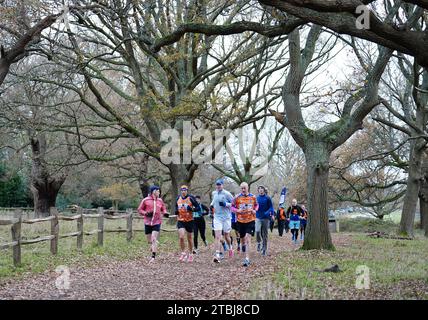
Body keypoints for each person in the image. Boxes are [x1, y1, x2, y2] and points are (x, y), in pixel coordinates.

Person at [137, 185, 168, 263]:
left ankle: (153, 257)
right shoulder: (145, 200)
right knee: (149, 241)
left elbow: (163, 208)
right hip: (147, 222)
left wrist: (165, 213)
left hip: (157, 222)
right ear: (154, 191)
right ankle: (154, 244)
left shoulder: (160, 200)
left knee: (153, 238)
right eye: (158, 191)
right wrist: (146, 213)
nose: (159, 192)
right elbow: (139, 209)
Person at [232, 182, 258, 267]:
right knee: (242, 238)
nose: (243, 190)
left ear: (248, 188)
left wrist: (255, 210)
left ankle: (247, 259)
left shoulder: (253, 197)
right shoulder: (236, 197)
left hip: (250, 220)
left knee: (247, 238)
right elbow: (232, 207)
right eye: (242, 188)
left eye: (244, 188)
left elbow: (257, 205)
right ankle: (243, 245)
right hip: (240, 221)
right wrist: (236, 210)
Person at [210, 179, 234, 263]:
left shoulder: (227, 194)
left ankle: (230, 247)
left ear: (222, 185)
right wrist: (211, 207)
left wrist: (226, 204)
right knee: (218, 236)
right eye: (217, 185)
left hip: (226, 217)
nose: (218, 186)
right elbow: (213, 202)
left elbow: (234, 204)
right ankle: (217, 255)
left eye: (219, 185)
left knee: (227, 236)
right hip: (217, 217)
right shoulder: (214, 193)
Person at [175, 185, 199, 262]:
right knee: (181, 237)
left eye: (185, 190)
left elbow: (198, 207)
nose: (183, 191)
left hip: (189, 220)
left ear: (187, 191)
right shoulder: (178, 198)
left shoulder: (191, 198)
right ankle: (183, 253)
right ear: (180, 191)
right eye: (182, 190)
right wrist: (176, 211)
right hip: (180, 220)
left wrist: (191, 209)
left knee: (189, 238)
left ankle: (191, 253)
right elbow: (176, 207)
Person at [255, 185, 274, 256]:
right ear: (258, 190)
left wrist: (269, 213)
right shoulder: (256, 198)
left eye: (261, 188)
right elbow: (254, 206)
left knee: (265, 234)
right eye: (259, 189)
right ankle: (259, 242)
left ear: (264, 190)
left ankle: (264, 249)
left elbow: (271, 207)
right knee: (257, 231)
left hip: (266, 218)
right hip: (258, 217)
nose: (260, 190)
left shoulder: (268, 198)